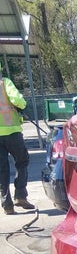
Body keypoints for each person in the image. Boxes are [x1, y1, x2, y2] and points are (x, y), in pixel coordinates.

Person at [0, 66, 34, 215]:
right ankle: (20, 196)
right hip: (11, 131)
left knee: (2, 169)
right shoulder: (4, 82)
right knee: (22, 161)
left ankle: (7, 205)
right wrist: (22, 105)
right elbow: (17, 100)